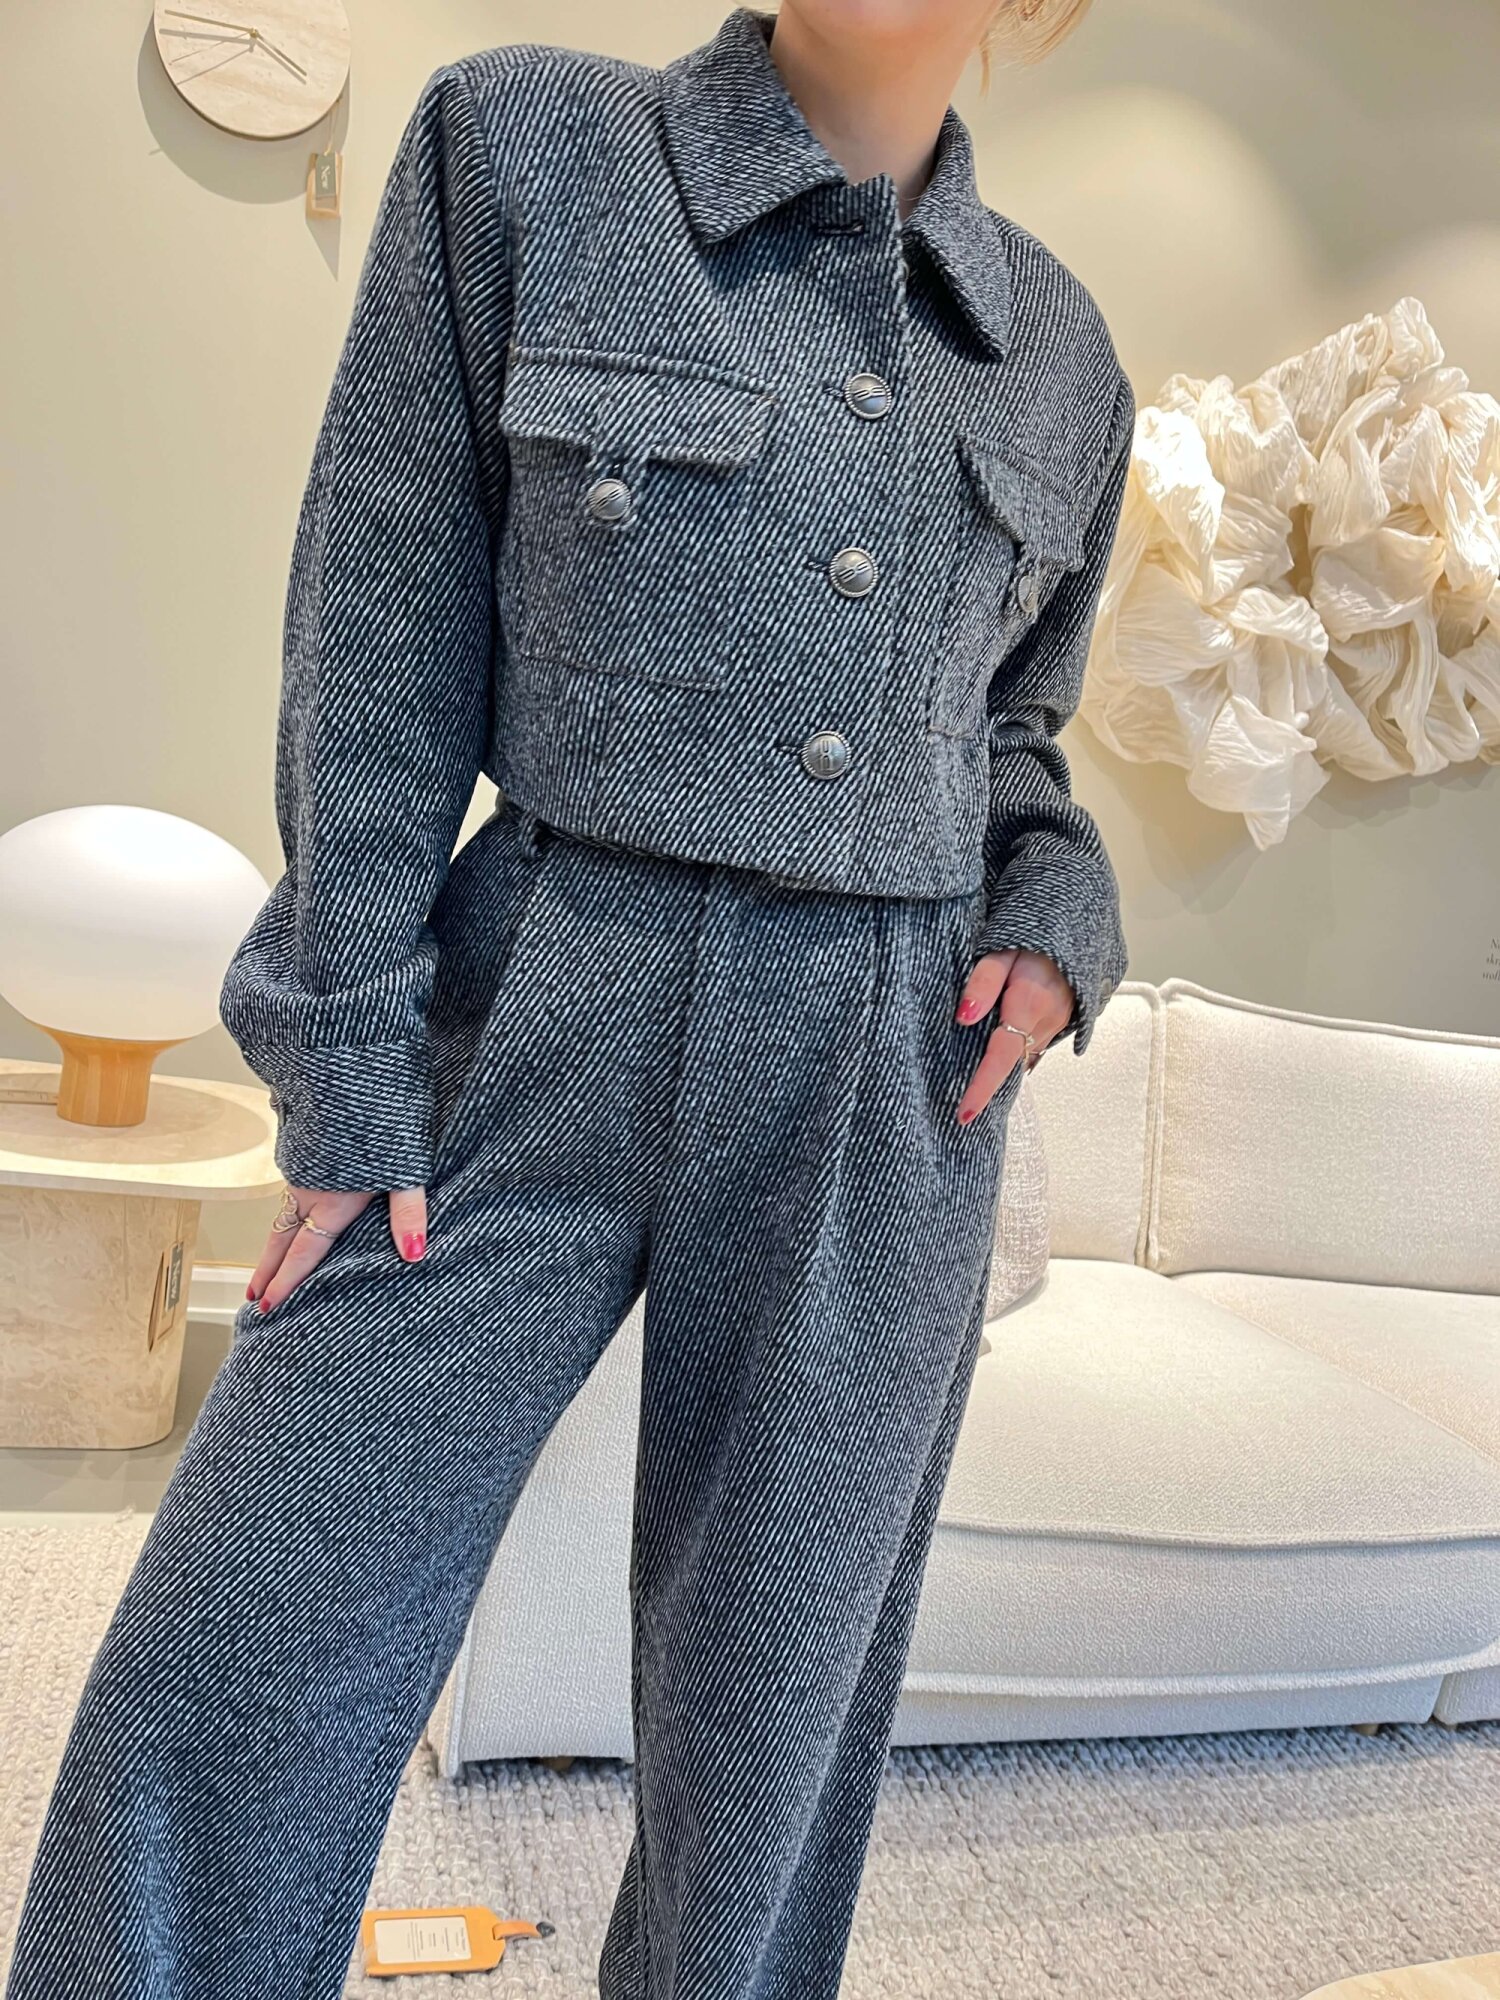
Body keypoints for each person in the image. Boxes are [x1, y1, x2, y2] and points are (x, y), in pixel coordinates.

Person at [4, 3, 1132, 1995]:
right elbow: (380, 631)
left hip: (882, 1074)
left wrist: (1056, 909)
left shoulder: (1063, 353)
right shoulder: (525, 152)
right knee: (240, 1647)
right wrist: (347, 1064)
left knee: (769, 1735)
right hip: (531, 994)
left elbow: (1014, 732)